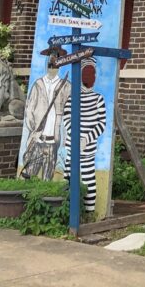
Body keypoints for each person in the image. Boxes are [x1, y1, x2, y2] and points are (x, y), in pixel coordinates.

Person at [61, 58, 107, 213]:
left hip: (88, 149)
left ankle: (89, 212)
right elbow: (67, 119)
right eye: (86, 73)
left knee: (88, 180)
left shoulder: (98, 99)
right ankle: (67, 210)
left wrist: (86, 139)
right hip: (72, 146)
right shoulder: (72, 98)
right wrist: (76, 137)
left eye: (92, 73)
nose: (90, 77)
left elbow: (102, 123)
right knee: (68, 178)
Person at [19, 53, 68, 180]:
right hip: (37, 140)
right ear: (46, 65)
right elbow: (29, 109)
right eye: (50, 65)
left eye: (55, 65)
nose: (52, 68)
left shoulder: (66, 86)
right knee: (29, 175)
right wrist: (34, 130)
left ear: (59, 66)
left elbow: (69, 115)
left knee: (47, 179)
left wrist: (63, 140)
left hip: (53, 142)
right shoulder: (38, 84)